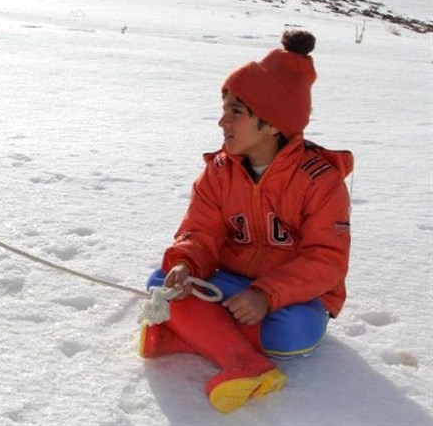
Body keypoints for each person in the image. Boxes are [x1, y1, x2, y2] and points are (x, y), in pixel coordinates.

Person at [140, 30, 353, 414]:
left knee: (294, 334)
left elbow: (327, 260)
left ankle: (193, 335)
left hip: (291, 299)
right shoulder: (219, 172)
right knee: (161, 281)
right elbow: (199, 232)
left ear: (272, 123)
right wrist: (187, 263)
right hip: (232, 283)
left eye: (236, 112)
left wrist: (266, 294)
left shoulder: (320, 181)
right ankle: (242, 361)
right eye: (224, 109)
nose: (222, 122)